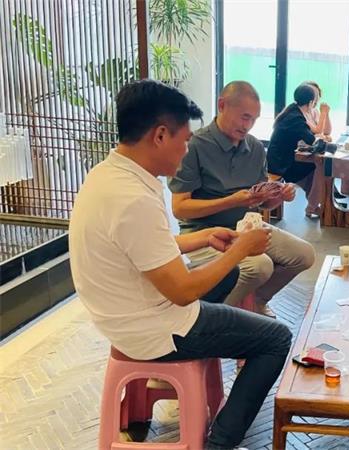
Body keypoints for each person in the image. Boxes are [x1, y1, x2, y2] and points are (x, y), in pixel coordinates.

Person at [70, 79, 292, 450]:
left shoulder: (108, 175)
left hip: (122, 317)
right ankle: (219, 444)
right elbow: (182, 292)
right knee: (276, 338)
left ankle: (210, 350)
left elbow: (139, 249)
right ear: (160, 135)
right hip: (153, 328)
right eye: (184, 139)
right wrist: (242, 248)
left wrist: (203, 238)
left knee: (228, 276)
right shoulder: (133, 198)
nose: (187, 148)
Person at [170, 81, 315, 318]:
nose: (248, 126)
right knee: (260, 266)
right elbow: (180, 208)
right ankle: (207, 318)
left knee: (304, 254)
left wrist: (279, 196)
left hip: (247, 226)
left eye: (254, 120)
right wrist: (232, 201)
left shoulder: (255, 147)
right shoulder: (195, 146)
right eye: (244, 117)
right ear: (222, 106)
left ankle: (257, 300)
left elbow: (262, 203)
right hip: (203, 233)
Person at [266, 83, 323, 217]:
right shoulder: (296, 118)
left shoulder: (292, 111)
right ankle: (314, 205)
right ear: (310, 103)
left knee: (315, 169)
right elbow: (311, 139)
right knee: (317, 168)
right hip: (280, 163)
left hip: (280, 158)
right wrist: (322, 140)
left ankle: (314, 204)